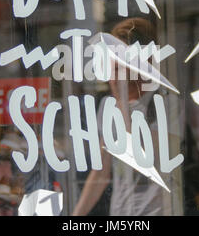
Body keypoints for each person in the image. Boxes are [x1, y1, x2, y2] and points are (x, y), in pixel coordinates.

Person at [72, 17, 170, 216]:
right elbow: (101, 171)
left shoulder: (164, 104)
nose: (114, 72)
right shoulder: (108, 106)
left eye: (122, 63)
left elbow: (142, 160)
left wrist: (122, 100)